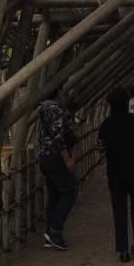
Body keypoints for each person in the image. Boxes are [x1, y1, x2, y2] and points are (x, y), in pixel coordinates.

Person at [98, 87, 134, 263]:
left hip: (115, 172)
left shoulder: (106, 124)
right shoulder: (133, 120)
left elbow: (101, 147)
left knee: (119, 209)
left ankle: (123, 249)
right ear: (127, 103)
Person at [37, 88, 78, 250]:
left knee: (55, 195)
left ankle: (50, 234)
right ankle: (55, 230)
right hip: (55, 157)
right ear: (59, 91)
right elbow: (58, 137)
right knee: (70, 191)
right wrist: (67, 159)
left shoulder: (44, 109)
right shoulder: (56, 110)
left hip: (45, 156)